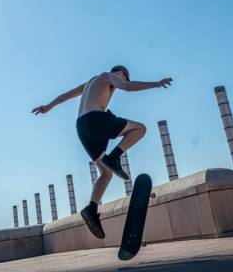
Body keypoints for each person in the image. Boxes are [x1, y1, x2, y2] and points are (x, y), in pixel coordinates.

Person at [32, 65, 172, 238]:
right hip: (96, 119)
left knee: (106, 173)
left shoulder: (90, 82)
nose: (122, 80)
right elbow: (128, 87)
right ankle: (114, 157)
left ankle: (92, 208)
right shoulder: (108, 76)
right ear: (119, 73)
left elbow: (66, 96)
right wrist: (156, 84)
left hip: (82, 128)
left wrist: (48, 107)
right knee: (140, 129)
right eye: (123, 76)